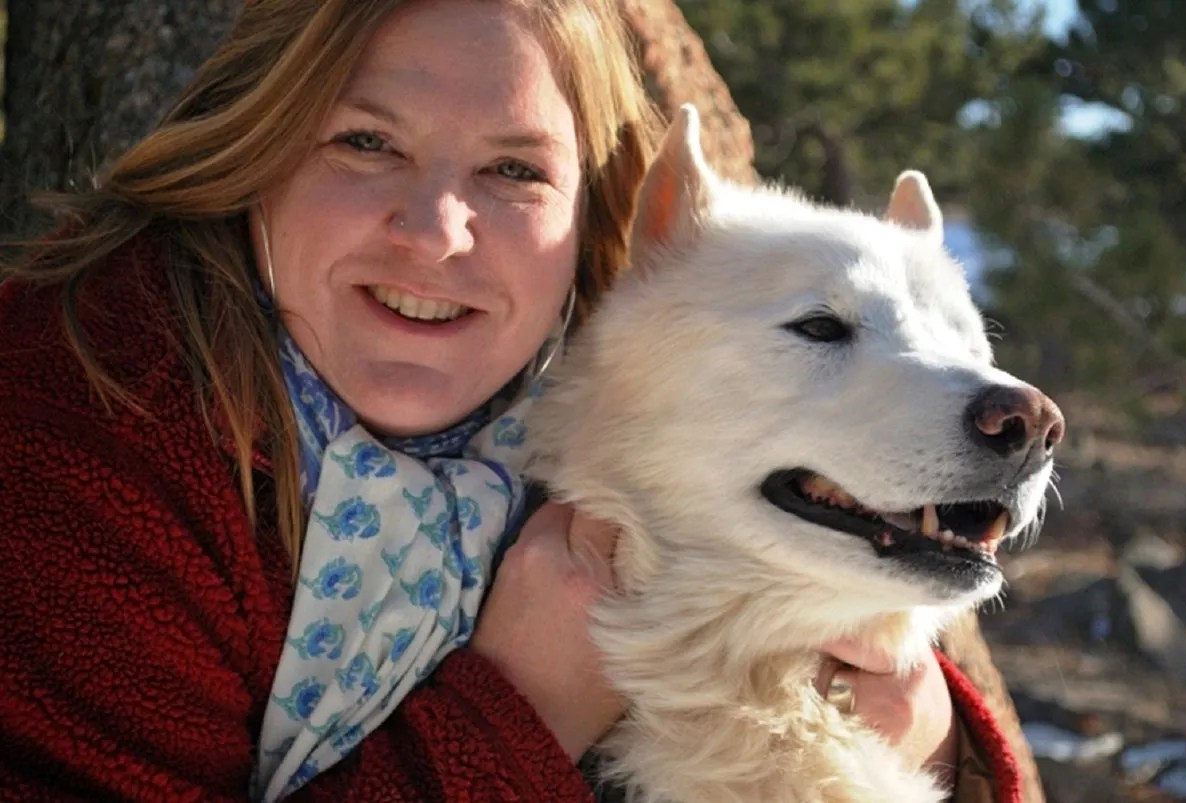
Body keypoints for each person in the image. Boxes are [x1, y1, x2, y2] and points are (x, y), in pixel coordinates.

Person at [0, 0, 1019, 800]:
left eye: (513, 169)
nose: (436, 230)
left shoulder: (622, 385)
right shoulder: (80, 431)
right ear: (260, 142)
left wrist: (929, 744)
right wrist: (522, 708)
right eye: (368, 143)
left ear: (590, 214)